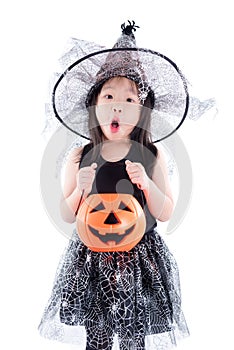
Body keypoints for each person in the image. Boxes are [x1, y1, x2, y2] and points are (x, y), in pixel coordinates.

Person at [39, 21, 190, 349]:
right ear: (95, 107)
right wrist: (80, 188)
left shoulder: (151, 155)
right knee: (98, 334)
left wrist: (146, 183)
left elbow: (165, 213)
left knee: (133, 335)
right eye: (109, 96)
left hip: (139, 258)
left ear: (142, 111)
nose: (118, 105)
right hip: (92, 262)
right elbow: (67, 214)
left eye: (129, 99)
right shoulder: (80, 156)